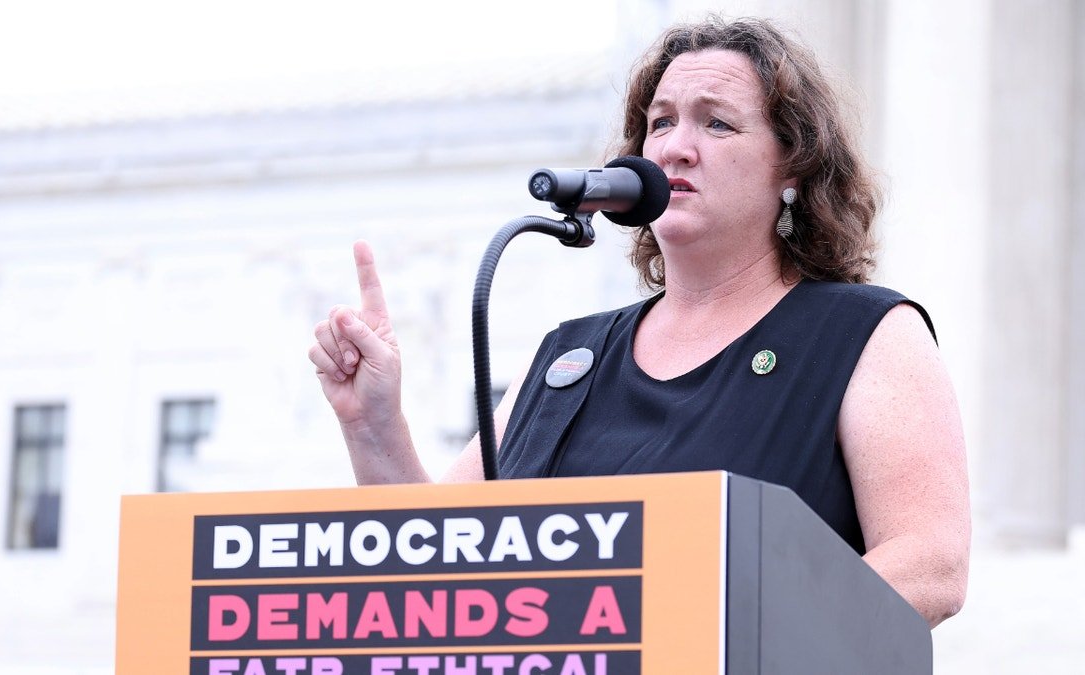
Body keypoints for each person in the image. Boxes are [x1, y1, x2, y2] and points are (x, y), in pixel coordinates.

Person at [308, 17, 970, 628]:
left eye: (717, 125)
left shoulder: (863, 332)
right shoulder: (570, 357)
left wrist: (722, 634)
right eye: (660, 123)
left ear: (792, 169)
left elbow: (930, 563)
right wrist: (372, 422)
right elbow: (435, 564)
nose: (676, 147)